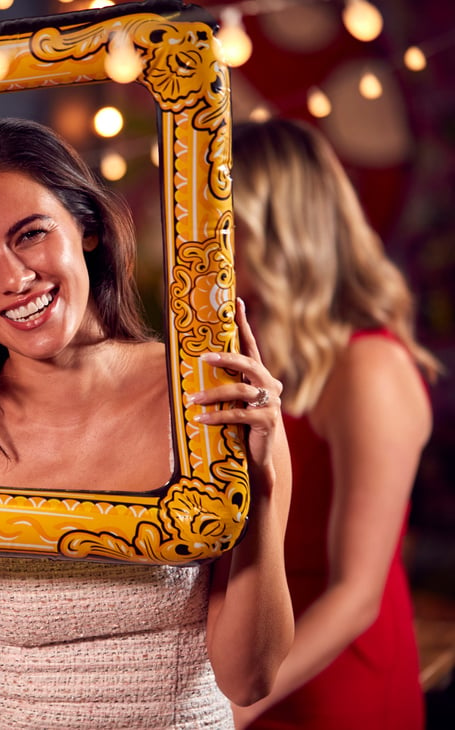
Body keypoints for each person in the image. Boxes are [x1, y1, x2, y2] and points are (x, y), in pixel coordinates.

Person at [0, 117, 294, 729]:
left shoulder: (206, 397)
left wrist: (262, 486)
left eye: (31, 234)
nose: (15, 279)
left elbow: (249, 679)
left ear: (85, 227)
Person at [228, 118, 440, 729]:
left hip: (332, 683)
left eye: (222, 224)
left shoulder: (370, 366)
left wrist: (229, 709)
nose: (199, 245)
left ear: (277, 228)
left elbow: (356, 595)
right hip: (258, 658)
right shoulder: (256, 351)